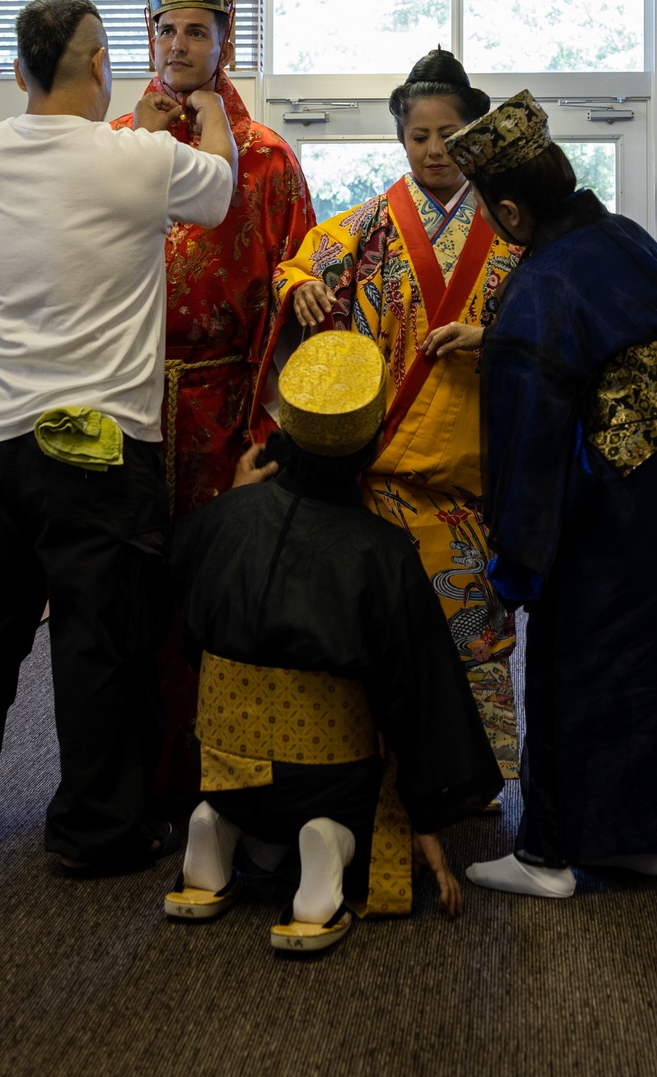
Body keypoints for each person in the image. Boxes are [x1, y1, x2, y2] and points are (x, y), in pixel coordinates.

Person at [0, 0, 236, 870]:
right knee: (99, 640)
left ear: (17, 73)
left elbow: (84, 160)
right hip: (98, 445)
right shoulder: (143, 160)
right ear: (100, 65)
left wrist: (136, 132)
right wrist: (214, 114)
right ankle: (95, 830)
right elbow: (221, 191)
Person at [435, 90, 657, 898]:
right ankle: (644, 837)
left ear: (510, 209)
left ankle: (550, 855)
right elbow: (617, 337)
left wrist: (517, 560)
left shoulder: (542, 284)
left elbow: (532, 438)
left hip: (620, 486)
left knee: (583, 655)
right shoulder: (625, 237)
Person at [165, 330, 503, 951]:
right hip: (323, 781)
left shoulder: (218, 519)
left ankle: (216, 829)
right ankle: (329, 848)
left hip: (216, 761)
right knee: (373, 737)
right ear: (372, 441)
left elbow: (189, 635)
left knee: (237, 786)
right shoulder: (383, 552)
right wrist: (427, 816)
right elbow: (417, 696)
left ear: (286, 430)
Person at [262, 49, 523, 778]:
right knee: (379, 629)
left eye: (450, 134)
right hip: (380, 470)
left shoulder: (511, 229)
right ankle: (380, 765)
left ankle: (480, 770)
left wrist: (493, 339)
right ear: (400, 139)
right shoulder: (368, 226)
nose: (436, 150)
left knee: (475, 627)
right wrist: (298, 292)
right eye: (419, 136)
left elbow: (555, 325)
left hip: (475, 467)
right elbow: (296, 267)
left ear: (475, 133)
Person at [112, 0, 315, 792]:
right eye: (167, 30)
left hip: (223, 402)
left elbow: (295, 285)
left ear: (226, 39)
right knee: (123, 593)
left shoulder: (266, 158)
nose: (180, 46)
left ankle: (220, 775)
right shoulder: (117, 145)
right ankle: (132, 776)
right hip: (121, 397)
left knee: (216, 589)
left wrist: (267, 424)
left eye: (198, 31)